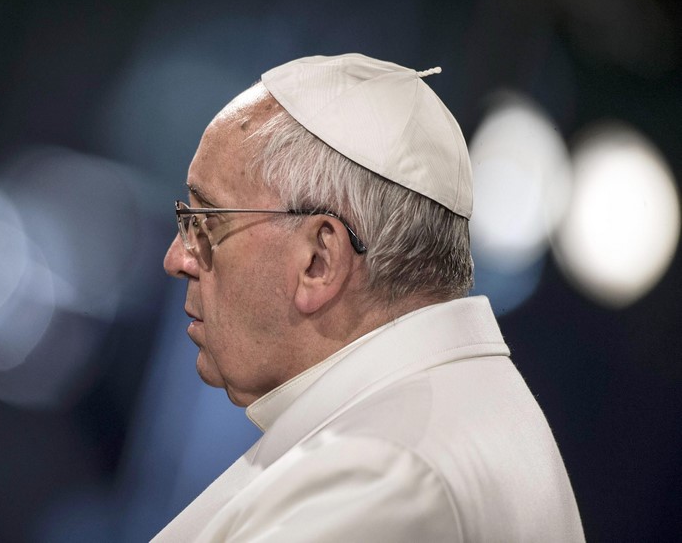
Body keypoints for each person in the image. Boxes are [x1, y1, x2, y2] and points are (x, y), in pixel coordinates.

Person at [156, 53, 584, 542]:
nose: (178, 258)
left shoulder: (385, 474)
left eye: (207, 222)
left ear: (319, 261)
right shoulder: (436, 416)